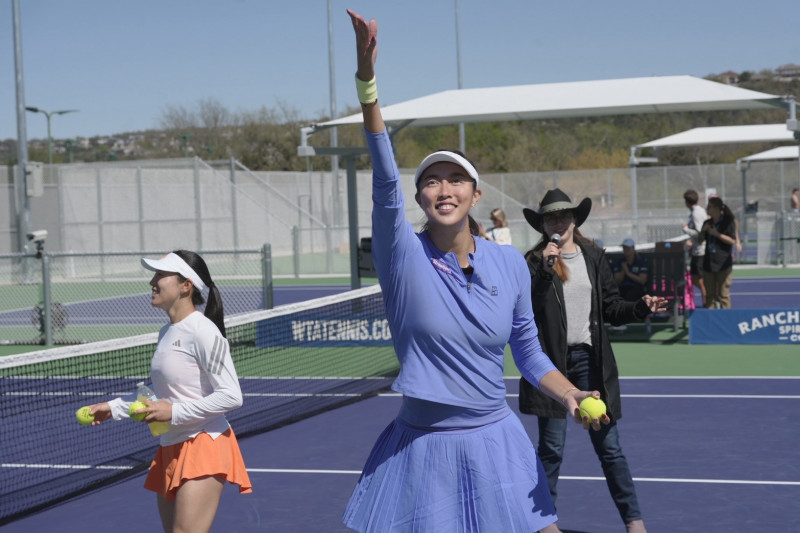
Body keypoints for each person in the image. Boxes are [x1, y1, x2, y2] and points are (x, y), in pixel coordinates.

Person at [343, 10, 605, 533]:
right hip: (421, 446)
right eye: (432, 181)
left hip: (495, 439)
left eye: (456, 179)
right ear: (420, 196)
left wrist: (570, 394)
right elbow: (384, 181)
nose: (444, 189)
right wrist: (368, 85)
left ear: (475, 194)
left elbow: (527, 351)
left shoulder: (509, 262)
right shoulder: (402, 258)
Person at [519, 188, 667, 533]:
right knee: (551, 451)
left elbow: (612, 308)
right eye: (551, 217)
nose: (559, 222)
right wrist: (545, 269)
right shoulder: (533, 261)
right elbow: (531, 309)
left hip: (590, 362)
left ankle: (635, 523)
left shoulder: (594, 257)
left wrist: (641, 307)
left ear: (574, 219)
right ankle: (544, 524)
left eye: (564, 215)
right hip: (550, 366)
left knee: (610, 449)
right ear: (543, 224)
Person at [86, 250, 252, 533]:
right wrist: (114, 407)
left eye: (161, 275)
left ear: (186, 285)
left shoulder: (203, 332)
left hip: (204, 443)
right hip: (169, 446)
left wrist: (174, 412)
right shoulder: (167, 332)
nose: (152, 281)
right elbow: (162, 393)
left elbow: (231, 395)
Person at [699, 197, 737, 309]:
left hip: (723, 264)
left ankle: (726, 321)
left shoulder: (727, 222)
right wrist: (703, 231)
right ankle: (712, 321)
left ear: (716, 208)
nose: (707, 209)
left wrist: (717, 234)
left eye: (709, 207)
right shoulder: (707, 222)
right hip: (709, 264)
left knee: (723, 295)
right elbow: (700, 241)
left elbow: (732, 241)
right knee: (710, 296)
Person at [682, 189, 708, 307]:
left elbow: (699, 232)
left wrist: (686, 230)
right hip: (697, 249)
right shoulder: (696, 211)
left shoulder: (697, 213)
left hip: (701, 251)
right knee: (694, 277)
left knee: (699, 280)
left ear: (687, 202)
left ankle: (707, 302)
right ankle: (708, 299)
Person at [612, 238, 649, 302]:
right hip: (622, 287)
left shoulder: (640, 262)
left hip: (636, 288)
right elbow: (617, 281)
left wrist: (628, 273)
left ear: (633, 248)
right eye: (624, 248)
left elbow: (642, 280)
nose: (625, 250)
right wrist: (623, 271)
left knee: (630, 296)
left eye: (628, 248)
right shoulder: (620, 262)